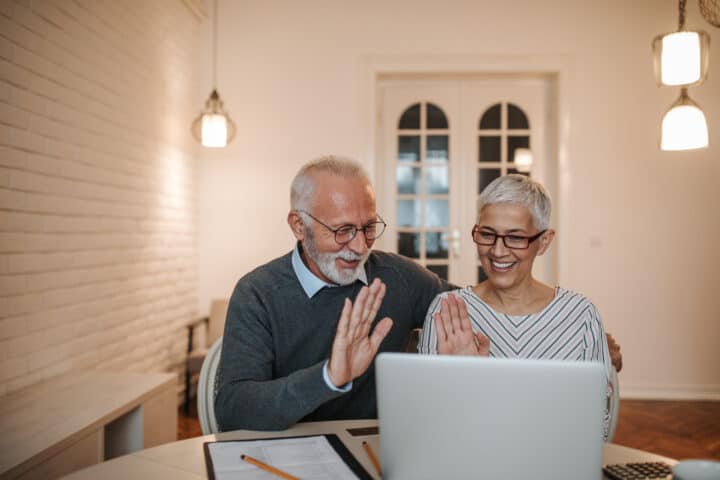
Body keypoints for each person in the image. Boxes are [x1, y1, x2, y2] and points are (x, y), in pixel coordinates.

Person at [216, 156, 623, 432]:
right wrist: (329, 376)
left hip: (373, 452)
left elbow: (481, 305)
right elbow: (233, 408)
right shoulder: (258, 294)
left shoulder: (399, 278)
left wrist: (582, 339)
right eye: (342, 230)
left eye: (369, 227)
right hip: (281, 453)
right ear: (297, 224)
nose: (359, 246)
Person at [418, 174, 614, 438]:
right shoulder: (447, 311)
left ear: (544, 241)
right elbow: (427, 422)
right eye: (487, 234)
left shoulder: (581, 315)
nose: (498, 251)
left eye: (516, 238)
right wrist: (461, 380)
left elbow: (597, 424)